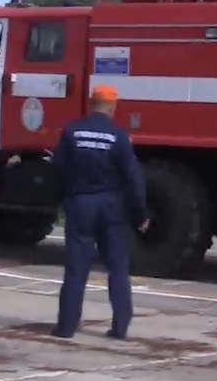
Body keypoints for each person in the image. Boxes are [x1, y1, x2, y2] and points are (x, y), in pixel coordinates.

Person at [49, 85, 148, 340]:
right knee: (117, 268)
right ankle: (120, 327)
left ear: (91, 103)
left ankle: (66, 327)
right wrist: (140, 215)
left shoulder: (72, 132)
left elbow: (57, 169)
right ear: (112, 107)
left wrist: (65, 198)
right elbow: (134, 179)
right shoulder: (119, 136)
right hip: (113, 208)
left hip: (81, 204)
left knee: (76, 268)